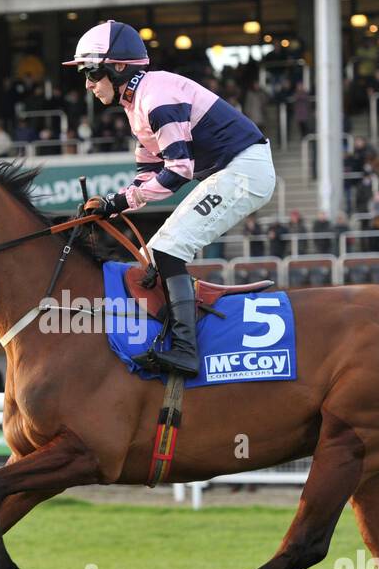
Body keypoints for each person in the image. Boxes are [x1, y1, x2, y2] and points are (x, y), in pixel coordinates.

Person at [66, 20, 274, 377]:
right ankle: (175, 337)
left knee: (167, 250)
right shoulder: (137, 103)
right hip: (231, 171)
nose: (87, 83)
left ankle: (186, 351)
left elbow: (178, 171)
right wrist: (112, 206)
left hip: (244, 172)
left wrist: (119, 201)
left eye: (91, 72)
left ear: (117, 69)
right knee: (151, 256)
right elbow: (146, 177)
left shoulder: (155, 98)